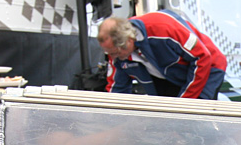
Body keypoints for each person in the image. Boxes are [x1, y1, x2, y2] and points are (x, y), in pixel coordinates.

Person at [97, 11, 227, 100]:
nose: (113, 58)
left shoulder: (162, 28)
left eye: (115, 53)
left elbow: (202, 57)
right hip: (169, 76)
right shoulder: (116, 51)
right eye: (110, 54)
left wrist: (183, 105)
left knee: (194, 119)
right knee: (165, 121)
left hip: (208, 67)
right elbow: (117, 90)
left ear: (129, 41)